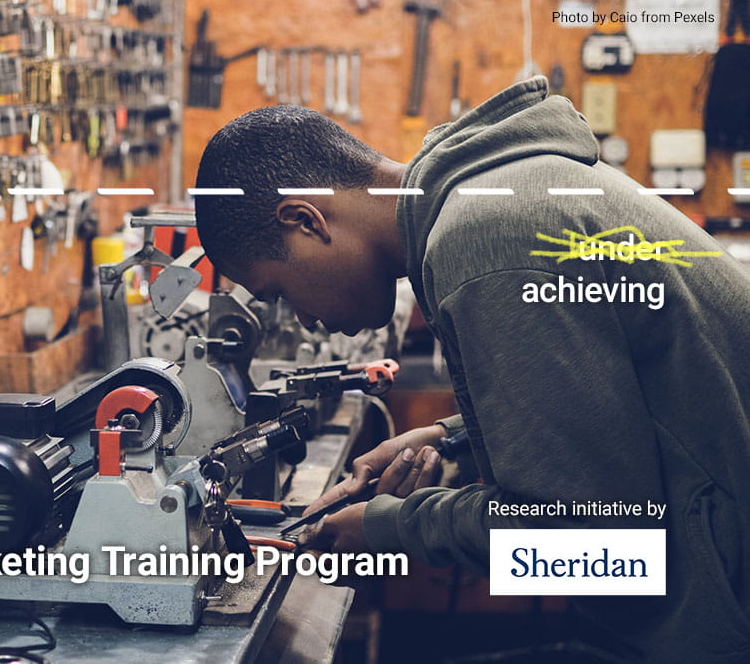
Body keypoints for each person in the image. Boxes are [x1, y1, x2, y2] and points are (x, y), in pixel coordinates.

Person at [191, 76, 750, 662]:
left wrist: (389, 528)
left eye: (279, 291)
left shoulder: (485, 243)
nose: (302, 320)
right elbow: (608, 398)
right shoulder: (492, 197)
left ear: (307, 221)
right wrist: (451, 436)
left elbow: (595, 549)